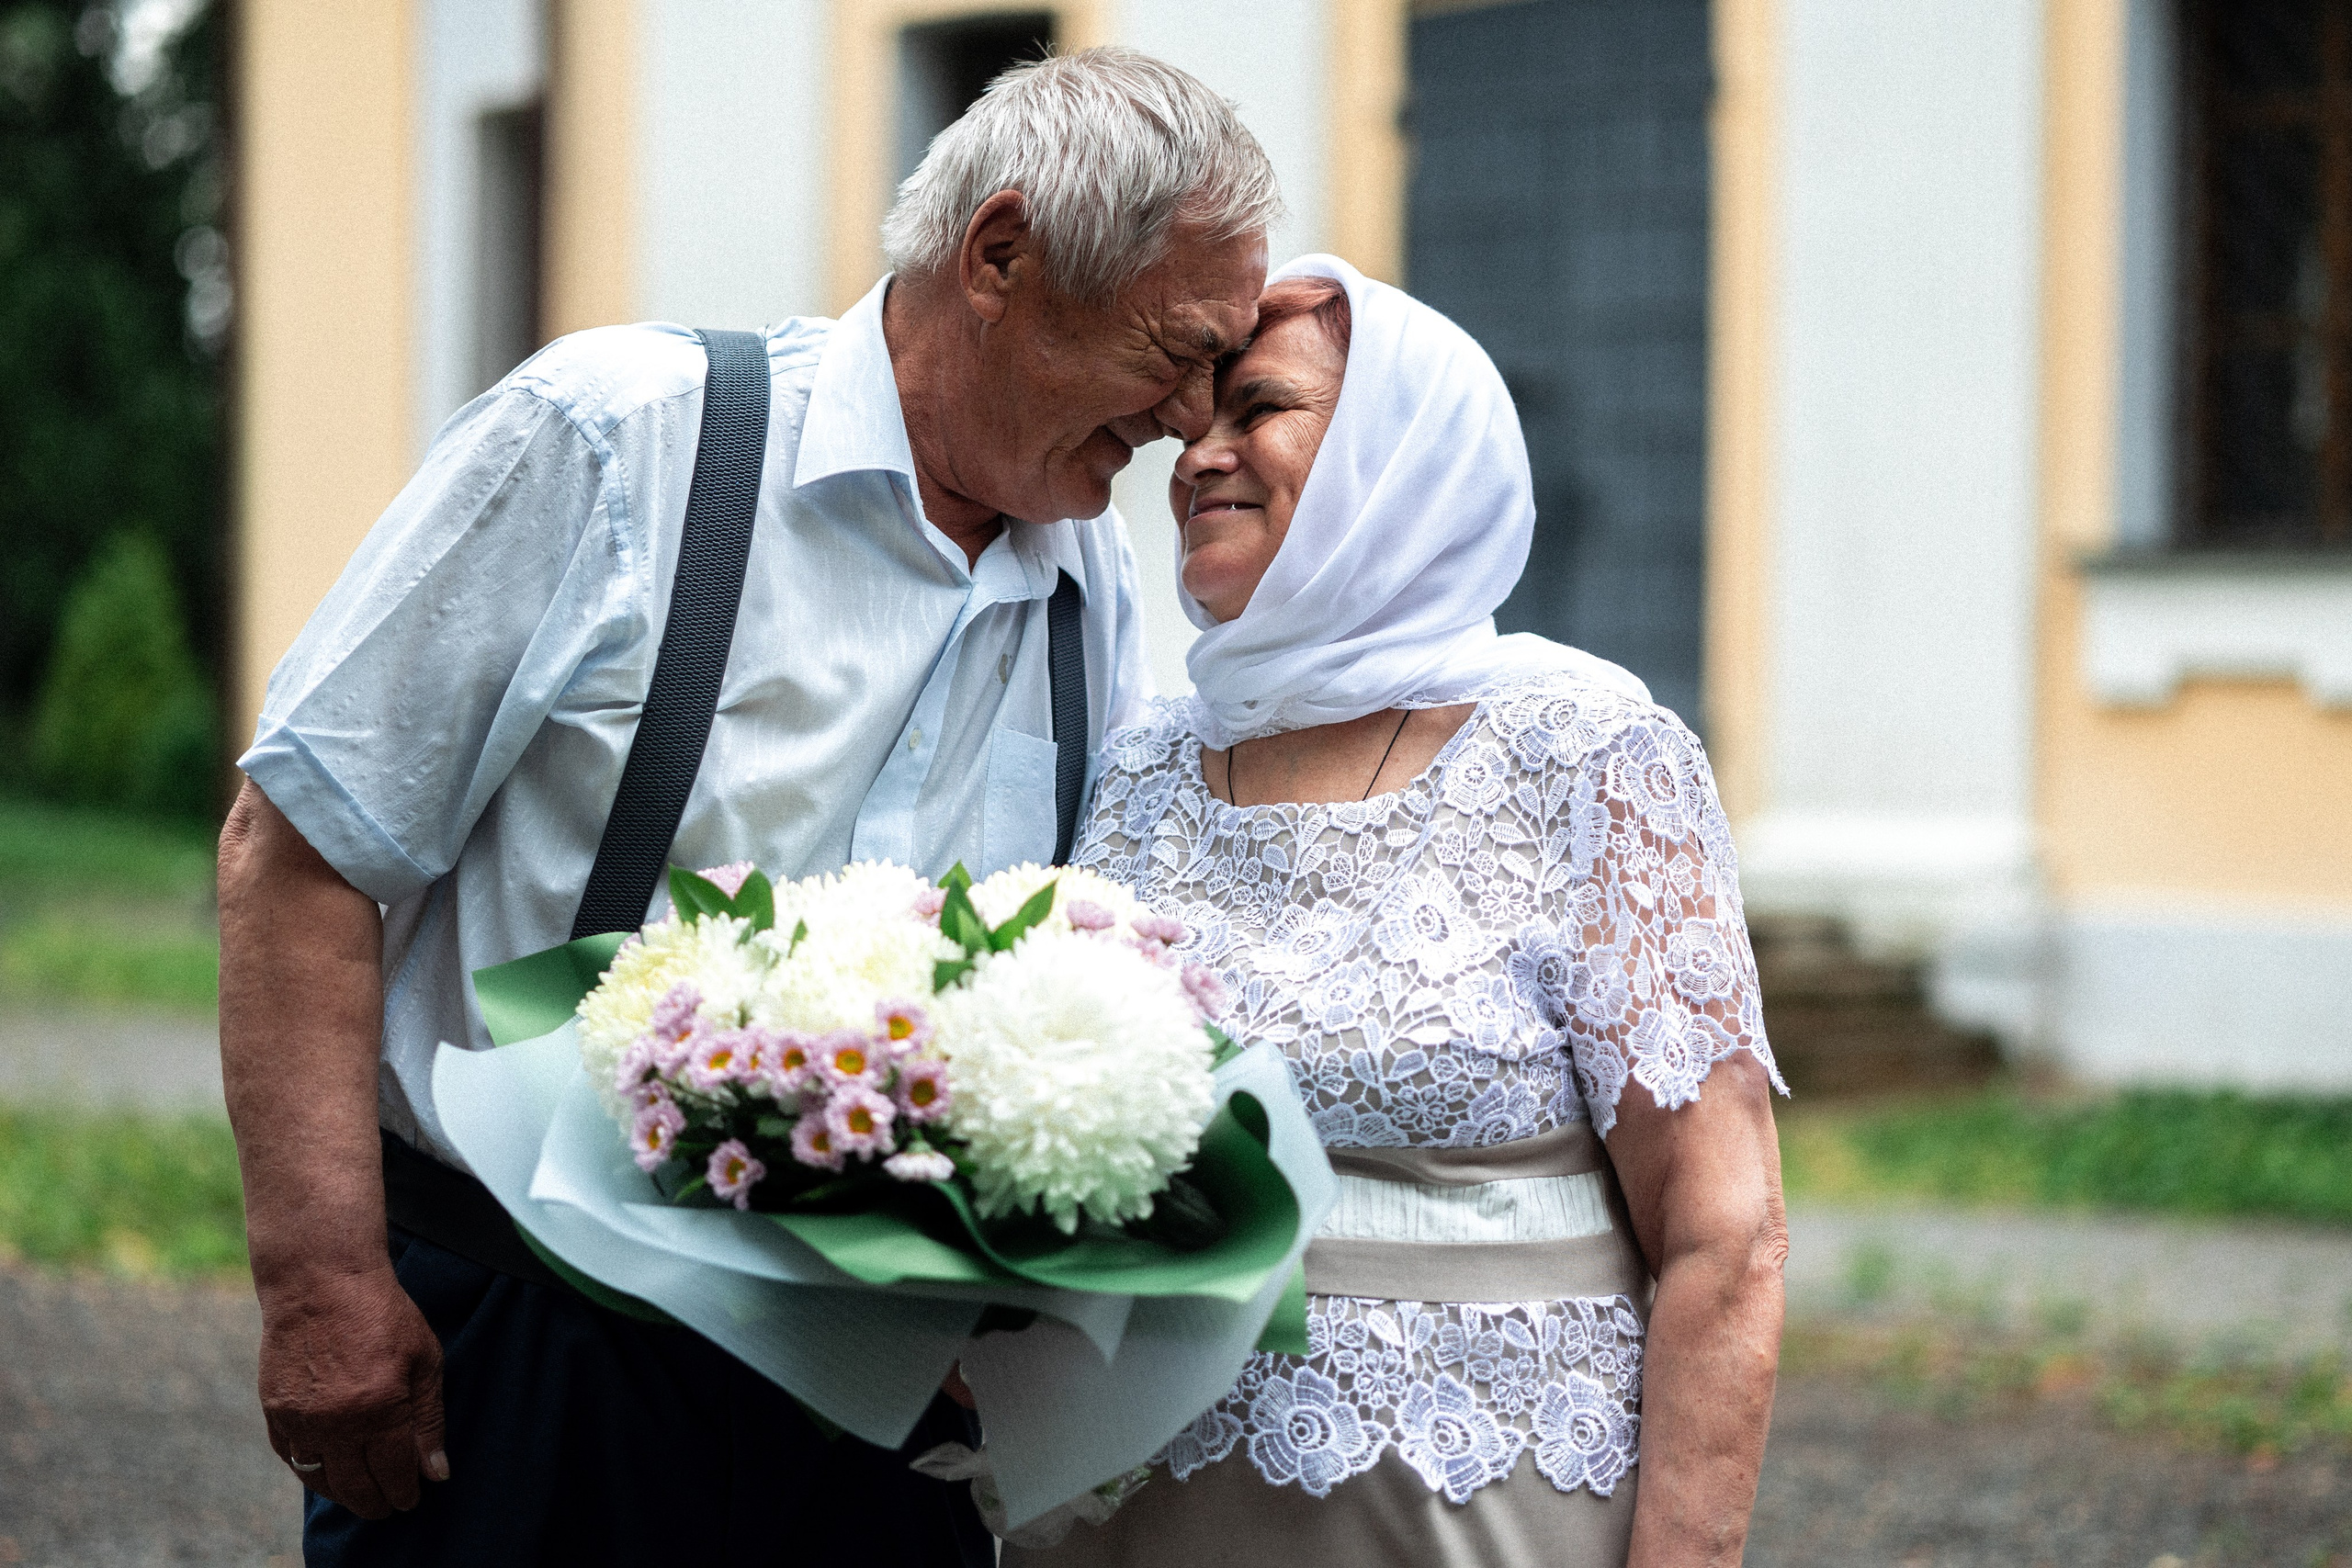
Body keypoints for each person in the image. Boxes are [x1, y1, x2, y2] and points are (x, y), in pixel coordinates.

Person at [214, 47, 1276, 1565]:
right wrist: (320, 1286)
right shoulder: (617, 438)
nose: (1189, 418)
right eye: (1173, 351)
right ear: (1000, 253)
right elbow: (300, 850)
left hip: (884, 1414)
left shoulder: (1087, 577)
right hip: (533, 1352)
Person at [1011, 257, 1790, 1568]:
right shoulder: (1141, 760)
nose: (1197, 456)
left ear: (1400, 451)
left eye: (1256, 409)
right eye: (1190, 422)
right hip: (1143, 1511)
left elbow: (1727, 1236)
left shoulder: (1585, 749)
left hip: (1479, 1514)